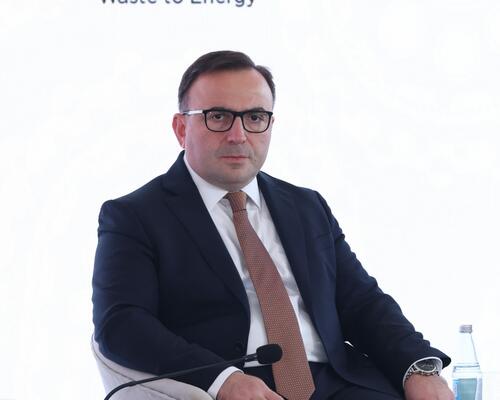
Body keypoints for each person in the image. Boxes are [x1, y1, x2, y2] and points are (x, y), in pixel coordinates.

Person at [92, 50, 454, 400]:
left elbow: (362, 303)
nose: (238, 135)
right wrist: (222, 379)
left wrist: (418, 368)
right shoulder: (135, 216)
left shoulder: (307, 206)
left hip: (338, 381)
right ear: (181, 127)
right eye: (218, 116)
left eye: (254, 117)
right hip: (234, 384)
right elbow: (121, 324)